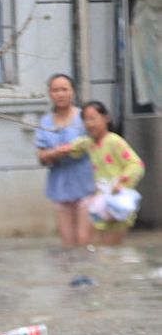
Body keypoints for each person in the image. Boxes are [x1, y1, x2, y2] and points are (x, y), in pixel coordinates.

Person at [62, 101, 146, 246]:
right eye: (86, 120)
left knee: (110, 248)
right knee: (95, 247)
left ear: (106, 118)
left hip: (117, 203)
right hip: (101, 203)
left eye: (93, 118)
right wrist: (58, 150)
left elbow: (136, 165)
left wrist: (121, 182)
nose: (89, 124)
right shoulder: (89, 143)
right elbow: (74, 147)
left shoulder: (114, 141)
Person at [34, 73, 96, 247]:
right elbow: (41, 157)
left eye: (64, 89)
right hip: (60, 184)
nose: (60, 94)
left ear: (72, 92)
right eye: (55, 90)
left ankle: (88, 273)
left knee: (84, 241)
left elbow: (97, 142)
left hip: (86, 182)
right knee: (67, 244)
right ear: (50, 94)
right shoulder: (45, 122)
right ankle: (71, 273)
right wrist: (55, 152)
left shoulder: (84, 118)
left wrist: (78, 147)